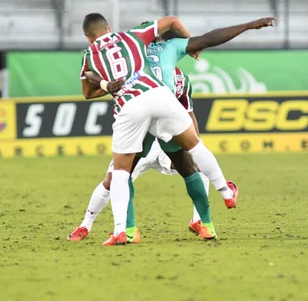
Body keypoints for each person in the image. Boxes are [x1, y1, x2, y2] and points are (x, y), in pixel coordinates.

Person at [80, 14, 274, 245]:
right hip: (162, 100)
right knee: (193, 158)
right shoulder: (143, 40)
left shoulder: (97, 52)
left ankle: (123, 230)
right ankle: (221, 198)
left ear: (87, 37)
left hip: (131, 110)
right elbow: (199, 34)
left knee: (120, 174)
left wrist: (107, 84)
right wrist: (249, 25)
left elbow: (88, 89)